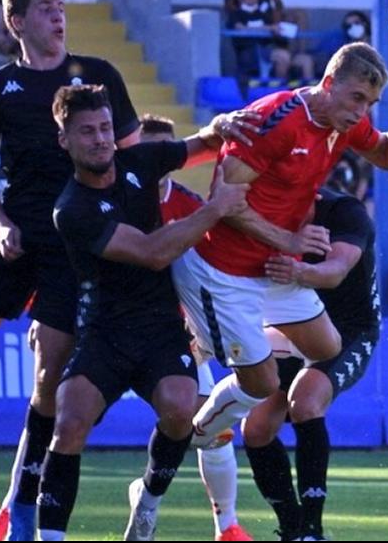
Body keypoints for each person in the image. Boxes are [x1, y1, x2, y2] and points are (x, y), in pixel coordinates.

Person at [170, 42, 388, 455]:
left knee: (327, 347)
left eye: (371, 103)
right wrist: (290, 241)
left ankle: (219, 355)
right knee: (264, 383)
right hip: (224, 268)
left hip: (269, 265)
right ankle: (197, 429)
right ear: (328, 83)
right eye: (357, 98)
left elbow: (385, 154)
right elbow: (224, 199)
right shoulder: (276, 121)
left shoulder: (343, 122)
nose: (362, 112)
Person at [0, 0, 143, 534]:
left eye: (61, 7)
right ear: (16, 22)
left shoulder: (98, 76)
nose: (57, 16)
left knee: (46, 385)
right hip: (16, 239)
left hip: (73, 249)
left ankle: (23, 511)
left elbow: (132, 158)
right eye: (44, 8)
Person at [32, 85, 249, 542]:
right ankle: (49, 537)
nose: (100, 139)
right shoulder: (71, 209)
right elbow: (152, 253)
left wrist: (225, 126)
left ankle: (146, 504)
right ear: (64, 141)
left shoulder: (141, 161)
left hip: (161, 328)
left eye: (106, 128)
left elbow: (202, 143)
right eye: (86, 131)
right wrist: (214, 210)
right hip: (103, 332)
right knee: (69, 422)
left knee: (179, 410)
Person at [243, 188, 382, 541]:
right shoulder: (262, 211)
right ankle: (291, 526)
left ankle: (312, 530)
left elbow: (335, 272)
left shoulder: (345, 211)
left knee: (305, 402)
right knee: (256, 429)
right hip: (291, 324)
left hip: (349, 329)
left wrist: (297, 269)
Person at [142, 115, 254, 542]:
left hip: (177, 333)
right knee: (62, 419)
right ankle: (17, 509)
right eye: (148, 148)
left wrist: (202, 331)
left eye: (165, 149)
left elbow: (206, 273)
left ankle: (226, 526)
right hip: (116, 327)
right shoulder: (115, 197)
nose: (158, 158)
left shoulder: (190, 206)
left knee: (213, 426)